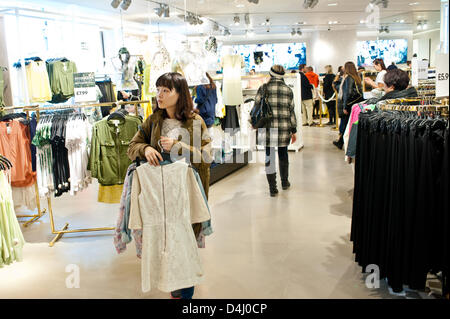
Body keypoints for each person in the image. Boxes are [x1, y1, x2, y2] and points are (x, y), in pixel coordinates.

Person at [127, 72, 212, 300]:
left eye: (166, 90)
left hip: (183, 198)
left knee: (183, 250)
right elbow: (132, 145)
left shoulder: (195, 122)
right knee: (167, 250)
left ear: (179, 94)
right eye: (158, 89)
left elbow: (207, 155)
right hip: (158, 199)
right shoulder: (153, 121)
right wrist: (145, 149)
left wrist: (178, 146)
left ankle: (184, 296)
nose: (159, 95)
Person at [255, 65, 297, 197]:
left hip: (268, 127)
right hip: (284, 128)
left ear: (271, 74)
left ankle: (272, 188)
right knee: (283, 154)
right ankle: (285, 182)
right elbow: (291, 111)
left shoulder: (263, 88)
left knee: (269, 156)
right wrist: (293, 130)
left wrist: (254, 124)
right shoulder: (288, 90)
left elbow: (256, 107)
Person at [333, 61, 363, 150]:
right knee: (349, 123)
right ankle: (341, 142)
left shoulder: (348, 78)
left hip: (349, 104)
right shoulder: (357, 77)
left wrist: (345, 106)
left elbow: (347, 93)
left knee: (346, 123)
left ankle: (342, 142)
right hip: (355, 103)